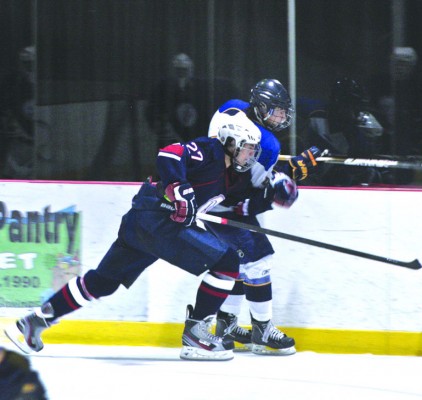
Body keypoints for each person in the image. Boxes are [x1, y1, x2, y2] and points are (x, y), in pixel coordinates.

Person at [4, 112, 274, 362]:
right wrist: (179, 189)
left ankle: (37, 320)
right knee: (227, 263)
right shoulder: (211, 151)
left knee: (103, 281)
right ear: (230, 141)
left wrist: (275, 191)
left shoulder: (228, 174)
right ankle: (196, 336)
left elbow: (237, 200)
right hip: (159, 220)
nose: (251, 154)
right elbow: (169, 154)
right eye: (247, 147)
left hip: (143, 221)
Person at [206, 79, 320, 355]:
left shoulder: (231, 107)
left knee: (235, 265)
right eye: (275, 111)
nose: (280, 118)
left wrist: (279, 170)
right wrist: (289, 176)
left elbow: (240, 164)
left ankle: (227, 326)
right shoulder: (268, 143)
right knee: (257, 262)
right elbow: (251, 189)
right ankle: (262, 330)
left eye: (283, 112)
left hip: (208, 196)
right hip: (228, 207)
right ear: (260, 107)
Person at [300, 77, 395, 186]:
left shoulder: (361, 127)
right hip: (308, 176)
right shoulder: (314, 112)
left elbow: (362, 166)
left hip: (335, 180)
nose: (354, 111)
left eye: (357, 106)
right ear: (337, 103)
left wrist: (374, 139)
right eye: (350, 104)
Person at [145, 52, 238, 150]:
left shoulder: (201, 89)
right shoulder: (163, 89)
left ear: (190, 70)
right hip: (173, 140)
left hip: (196, 138)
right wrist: (162, 129)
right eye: (179, 70)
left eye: (184, 70)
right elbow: (152, 112)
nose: (181, 74)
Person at [0, 46, 36, 178]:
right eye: (26, 63)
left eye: (32, 63)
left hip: (25, 134)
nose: (29, 67)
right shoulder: (13, 81)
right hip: (15, 135)